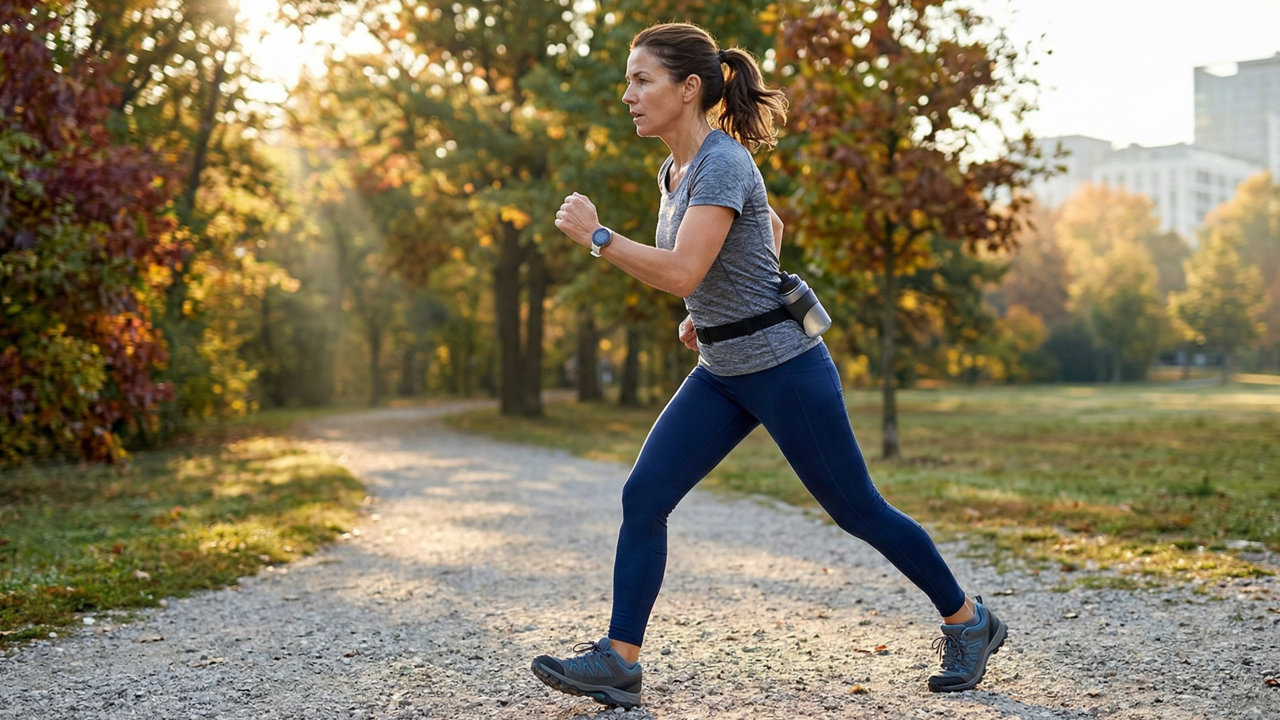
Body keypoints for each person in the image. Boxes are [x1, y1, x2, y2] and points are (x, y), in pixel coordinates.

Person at [530, 22, 1006, 711]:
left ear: (688, 88)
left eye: (642, 80)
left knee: (859, 511)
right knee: (645, 497)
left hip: (785, 370)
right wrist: (714, 310)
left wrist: (599, 237)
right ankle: (619, 663)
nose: (628, 95)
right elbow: (766, 233)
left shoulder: (723, 162)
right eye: (628, 82)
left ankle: (970, 621)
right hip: (722, 370)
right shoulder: (675, 170)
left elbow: (685, 265)